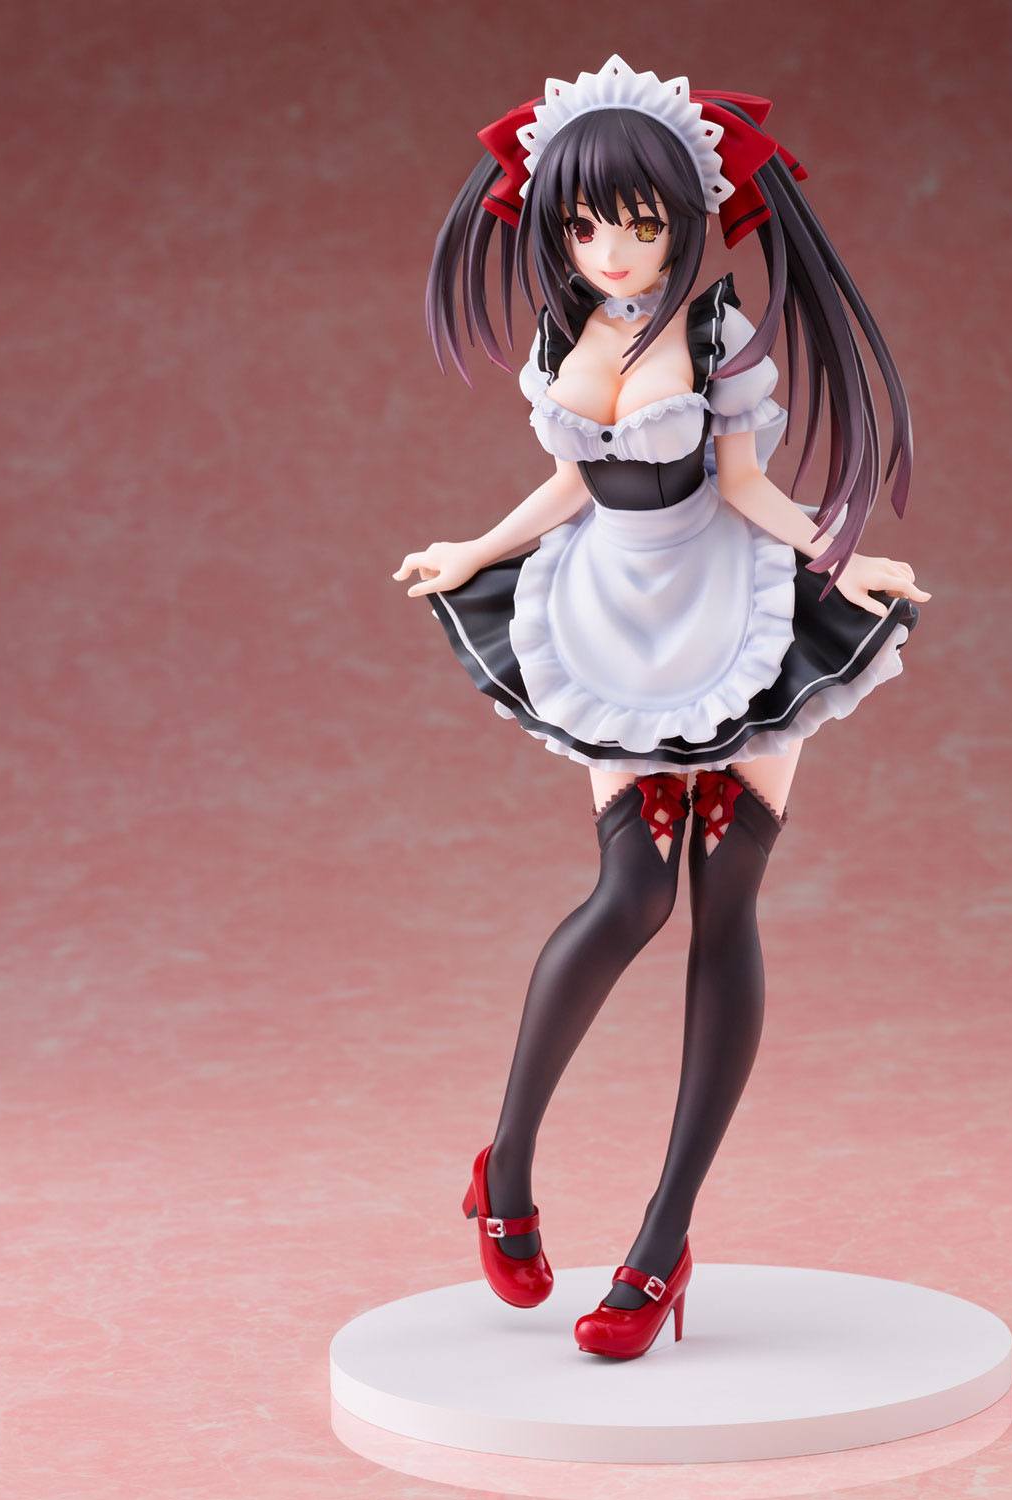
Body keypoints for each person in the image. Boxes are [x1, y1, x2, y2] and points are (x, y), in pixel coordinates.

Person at [395, 54, 931, 1360]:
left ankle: (661, 1238)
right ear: (555, 227)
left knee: (724, 901)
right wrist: (476, 549)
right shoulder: (560, 337)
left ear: (689, 220)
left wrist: (843, 555)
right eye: (588, 225)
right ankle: (505, 1168)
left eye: (641, 224)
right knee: (630, 891)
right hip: (609, 611)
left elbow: (745, 486)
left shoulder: (714, 338)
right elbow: (572, 485)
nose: (616, 250)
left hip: (728, 605)